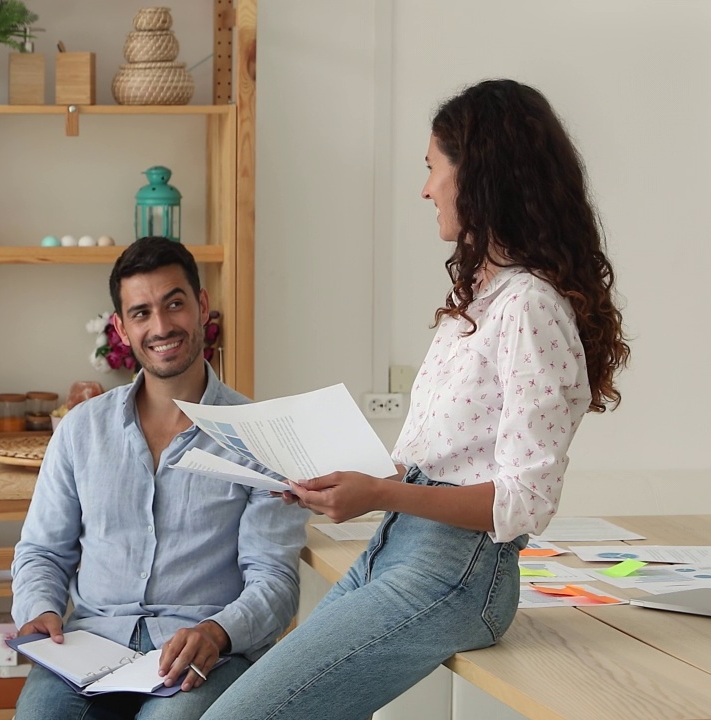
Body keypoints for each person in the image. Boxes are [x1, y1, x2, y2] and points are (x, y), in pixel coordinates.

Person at [202, 79, 631, 720]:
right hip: (401, 547)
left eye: (432, 169)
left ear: (479, 176)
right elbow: (444, 460)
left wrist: (377, 493)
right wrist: (343, 480)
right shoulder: (481, 303)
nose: (425, 188)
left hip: (457, 572)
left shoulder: (530, 308)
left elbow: (521, 503)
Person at [10, 237, 310, 720]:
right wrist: (39, 608)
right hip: (89, 647)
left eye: (175, 304)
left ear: (202, 306)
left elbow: (274, 580)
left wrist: (217, 632)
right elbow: (43, 551)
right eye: (142, 313)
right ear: (121, 329)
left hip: (204, 653)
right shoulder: (80, 430)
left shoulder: (259, 437)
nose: (162, 326)